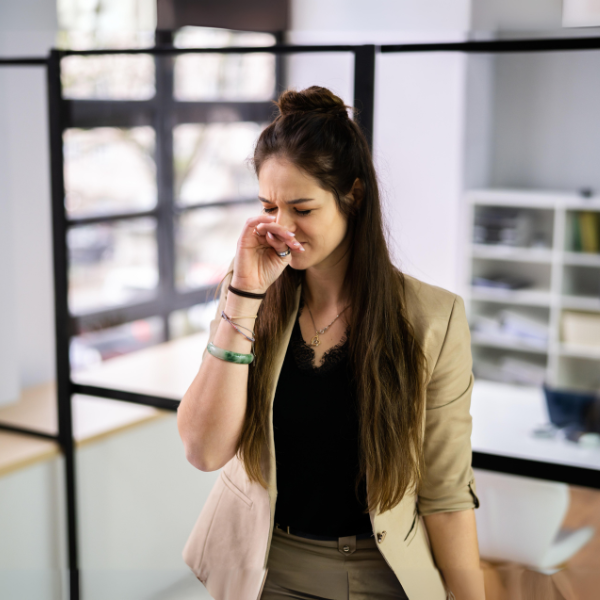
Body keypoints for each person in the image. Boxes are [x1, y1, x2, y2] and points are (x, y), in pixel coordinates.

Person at [178, 86, 484, 600]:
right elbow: (204, 450)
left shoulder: (435, 319)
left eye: (302, 208)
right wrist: (245, 299)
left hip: (379, 574)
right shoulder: (249, 296)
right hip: (263, 569)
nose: (282, 228)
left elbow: (446, 492)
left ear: (353, 196)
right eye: (268, 207)